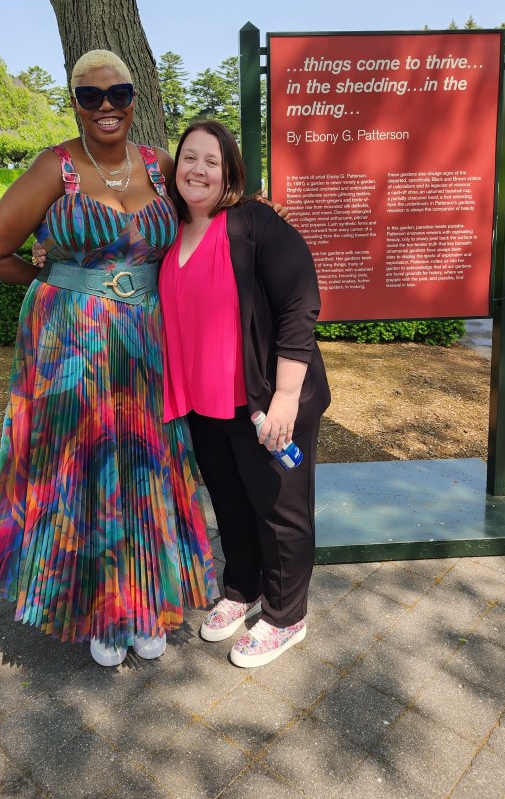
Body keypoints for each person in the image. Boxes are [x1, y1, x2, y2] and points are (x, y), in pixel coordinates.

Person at [0, 50, 218, 666]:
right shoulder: (53, 167)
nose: (107, 106)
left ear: (133, 99)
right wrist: (54, 279)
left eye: (118, 93)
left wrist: (264, 216)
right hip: (72, 346)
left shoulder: (160, 165)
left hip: (147, 342)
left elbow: (214, 217)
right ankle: (100, 612)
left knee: (145, 464)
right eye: (91, 96)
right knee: (84, 468)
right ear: (75, 103)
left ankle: (146, 601)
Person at [160, 120, 331, 668]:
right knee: (231, 504)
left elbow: (299, 304)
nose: (198, 170)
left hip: (263, 401)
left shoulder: (254, 223)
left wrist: (286, 396)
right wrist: (50, 252)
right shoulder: (169, 229)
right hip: (202, 402)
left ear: (230, 170)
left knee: (281, 512)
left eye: (211, 161)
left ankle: (286, 616)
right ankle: (242, 587)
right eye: (189, 158)